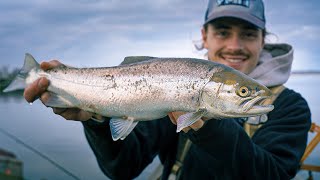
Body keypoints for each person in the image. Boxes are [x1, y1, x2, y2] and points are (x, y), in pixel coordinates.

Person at [24, 0, 311, 179]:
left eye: (248, 34)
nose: (234, 45)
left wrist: (208, 128)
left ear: (263, 39)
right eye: (223, 32)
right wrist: (97, 120)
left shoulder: (289, 106)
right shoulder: (168, 85)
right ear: (204, 36)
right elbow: (122, 170)